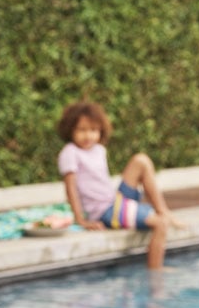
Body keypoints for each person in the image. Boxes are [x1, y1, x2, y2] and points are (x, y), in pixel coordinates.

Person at [56, 101, 183, 269]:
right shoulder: (70, 152)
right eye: (82, 130)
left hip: (114, 202)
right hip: (105, 211)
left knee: (141, 161)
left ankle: (163, 210)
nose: (88, 136)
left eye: (93, 130)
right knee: (160, 224)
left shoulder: (99, 150)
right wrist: (80, 219)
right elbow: (70, 188)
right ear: (70, 130)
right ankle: (156, 272)